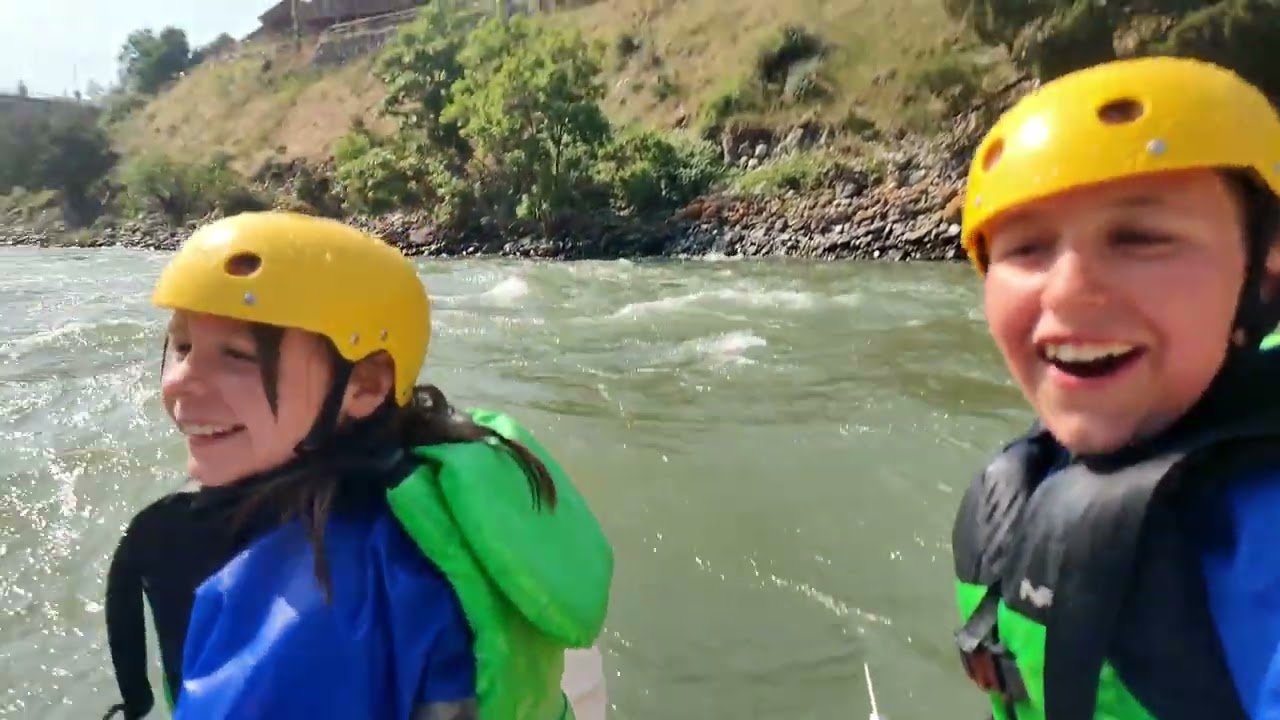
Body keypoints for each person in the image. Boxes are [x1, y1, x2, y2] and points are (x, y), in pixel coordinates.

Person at [101, 211, 614, 719]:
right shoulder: (454, 473)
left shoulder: (305, 607)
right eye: (184, 346)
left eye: (237, 355)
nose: (180, 382)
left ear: (367, 384)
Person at [947, 56, 1280, 719]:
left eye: (1140, 237)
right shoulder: (1026, 484)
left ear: (1265, 278)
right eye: (1025, 249)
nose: (1069, 288)